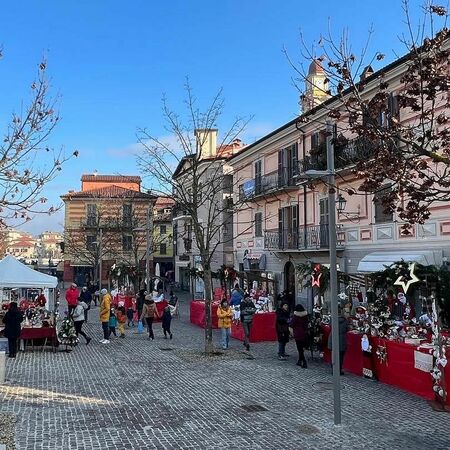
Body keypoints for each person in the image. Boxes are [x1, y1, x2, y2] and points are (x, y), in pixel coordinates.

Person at [327, 309, 349, 375]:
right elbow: (345, 329)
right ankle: (339, 370)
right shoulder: (345, 321)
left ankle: (333, 369)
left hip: (333, 338)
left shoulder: (332, 320)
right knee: (340, 356)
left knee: (334, 355)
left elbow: (330, 326)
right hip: (341, 339)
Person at [290, 304, 309, 368]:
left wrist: (292, 334)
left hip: (298, 334)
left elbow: (291, 325)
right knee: (301, 348)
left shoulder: (295, 317)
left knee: (300, 349)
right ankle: (299, 360)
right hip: (304, 333)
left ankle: (304, 361)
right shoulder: (305, 316)